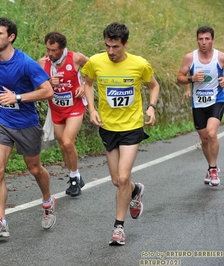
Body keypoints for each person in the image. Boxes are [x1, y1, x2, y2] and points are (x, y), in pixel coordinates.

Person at [81, 22, 160, 246]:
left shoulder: (139, 64)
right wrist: (92, 109)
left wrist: (151, 107)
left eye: (115, 47)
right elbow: (88, 83)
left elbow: (154, 86)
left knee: (123, 177)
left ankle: (118, 228)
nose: (111, 52)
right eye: (107, 46)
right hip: (108, 126)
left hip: (132, 126)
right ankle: (137, 190)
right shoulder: (95, 62)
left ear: (125, 44)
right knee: (118, 181)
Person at [0, 17, 56, 237]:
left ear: (11, 37)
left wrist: (18, 97)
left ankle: (48, 201)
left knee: (34, 168)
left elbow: (47, 91)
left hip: (26, 124)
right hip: (2, 121)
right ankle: (0, 221)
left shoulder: (26, 63)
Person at [37, 32, 89, 197]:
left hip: (75, 106)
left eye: (54, 50)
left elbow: (94, 68)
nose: (50, 54)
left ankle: (73, 179)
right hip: (56, 109)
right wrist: (48, 83)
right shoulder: (42, 62)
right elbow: (37, 85)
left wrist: (85, 85)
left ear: (63, 49)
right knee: (62, 145)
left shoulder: (76, 58)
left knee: (67, 142)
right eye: (48, 49)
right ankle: (76, 174)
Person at [177, 26, 224, 186]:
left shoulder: (221, 57)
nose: (204, 42)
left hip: (217, 99)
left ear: (213, 40)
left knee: (211, 133)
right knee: (204, 139)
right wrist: (192, 78)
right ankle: (211, 166)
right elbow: (179, 77)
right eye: (201, 39)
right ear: (197, 40)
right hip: (198, 102)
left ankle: (212, 167)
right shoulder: (190, 58)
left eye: (207, 39)